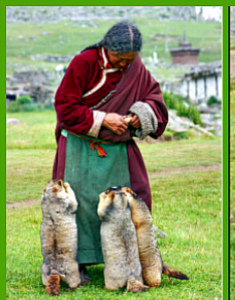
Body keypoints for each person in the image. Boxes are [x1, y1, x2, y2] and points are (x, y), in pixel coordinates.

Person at [52, 21, 168, 281]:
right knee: (75, 203)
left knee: (134, 197)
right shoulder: (84, 62)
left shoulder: (135, 67)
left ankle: (130, 260)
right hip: (79, 147)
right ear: (106, 47)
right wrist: (103, 120)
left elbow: (154, 98)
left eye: (131, 59)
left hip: (118, 149)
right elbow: (64, 107)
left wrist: (141, 115)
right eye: (121, 58)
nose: (126, 64)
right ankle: (74, 264)